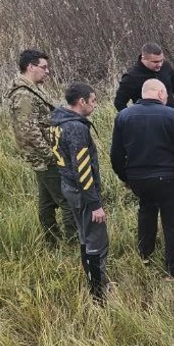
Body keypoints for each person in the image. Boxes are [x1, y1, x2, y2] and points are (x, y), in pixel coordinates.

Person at [110, 79, 174, 278]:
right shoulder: (173, 116)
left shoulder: (123, 116)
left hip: (138, 179)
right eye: (166, 94)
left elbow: (116, 154)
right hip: (169, 178)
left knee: (146, 211)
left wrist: (125, 176)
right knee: (173, 222)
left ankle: (144, 255)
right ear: (160, 94)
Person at [8, 49, 76, 248]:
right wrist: (50, 155)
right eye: (43, 67)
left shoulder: (32, 89)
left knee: (47, 202)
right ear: (30, 67)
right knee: (67, 200)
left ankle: (52, 243)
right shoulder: (23, 95)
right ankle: (74, 243)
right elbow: (27, 131)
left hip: (44, 155)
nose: (47, 72)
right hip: (44, 157)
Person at [49, 82, 110, 302]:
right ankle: (98, 294)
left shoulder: (58, 122)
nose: (95, 105)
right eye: (93, 100)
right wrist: (95, 204)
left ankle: (95, 281)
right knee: (96, 240)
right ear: (81, 101)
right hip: (81, 190)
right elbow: (82, 169)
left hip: (69, 187)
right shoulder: (76, 128)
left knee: (85, 237)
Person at [113, 42, 174, 113]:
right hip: (147, 121)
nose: (160, 64)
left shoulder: (165, 66)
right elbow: (119, 103)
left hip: (172, 115)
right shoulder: (131, 77)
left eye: (161, 60)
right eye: (155, 62)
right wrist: (132, 118)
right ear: (144, 59)